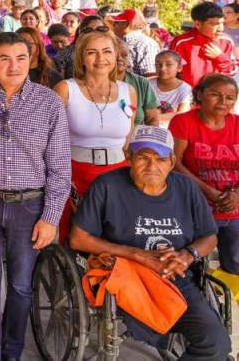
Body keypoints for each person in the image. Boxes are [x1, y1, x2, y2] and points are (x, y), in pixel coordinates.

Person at [70, 126, 231, 361]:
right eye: (143, 157)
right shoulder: (107, 186)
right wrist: (137, 254)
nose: (152, 166)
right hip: (126, 279)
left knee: (216, 343)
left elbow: (209, 236)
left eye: (161, 159)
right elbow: (78, 239)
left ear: (172, 162)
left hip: (176, 278)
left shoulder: (186, 188)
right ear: (128, 156)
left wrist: (187, 256)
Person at [0, 32, 71, 361]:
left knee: (22, 286)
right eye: (5, 59)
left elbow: (60, 167)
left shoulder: (49, 102)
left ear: (31, 60)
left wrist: (50, 218)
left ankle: (12, 352)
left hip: (30, 205)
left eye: (21, 58)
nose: (14, 66)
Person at [52, 30, 135, 232]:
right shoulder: (65, 89)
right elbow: (50, 140)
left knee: (114, 235)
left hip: (118, 175)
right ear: (81, 58)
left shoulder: (129, 91)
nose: (100, 58)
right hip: (74, 173)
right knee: (74, 236)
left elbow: (128, 140)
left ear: (116, 55)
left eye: (107, 51)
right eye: (92, 52)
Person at [171, 74, 239, 275]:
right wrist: (210, 193)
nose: (223, 101)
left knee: (234, 266)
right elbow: (175, 163)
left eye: (230, 97)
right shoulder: (184, 122)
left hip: (234, 207)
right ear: (200, 95)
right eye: (215, 95)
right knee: (193, 266)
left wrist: (236, 194)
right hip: (195, 205)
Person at [170, 1, 236, 87]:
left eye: (222, 23)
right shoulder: (181, 43)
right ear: (198, 24)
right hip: (187, 93)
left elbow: (233, 72)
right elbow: (170, 72)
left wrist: (220, 57)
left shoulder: (226, 41)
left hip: (215, 93)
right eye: (214, 24)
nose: (221, 29)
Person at [114, 8, 159, 77]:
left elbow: (151, 76)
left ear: (126, 25)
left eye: (117, 23)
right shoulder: (120, 41)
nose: (114, 26)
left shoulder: (146, 44)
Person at [152, 50, 192, 128]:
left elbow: (182, 114)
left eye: (168, 64)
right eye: (158, 64)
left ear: (179, 68)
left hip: (173, 129)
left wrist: (152, 117)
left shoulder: (185, 89)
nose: (162, 68)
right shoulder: (148, 84)